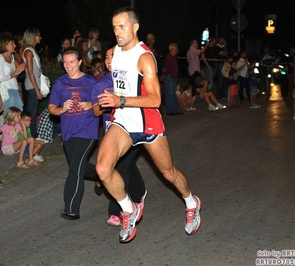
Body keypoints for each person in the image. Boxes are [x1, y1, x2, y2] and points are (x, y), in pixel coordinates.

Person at [95, 7, 201, 243]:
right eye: (114, 27)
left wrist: (120, 100)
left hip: (147, 122)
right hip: (123, 121)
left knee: (167, 172)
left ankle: (192, 202)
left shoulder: (145, 57)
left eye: (122, 26)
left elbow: (156, 99)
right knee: (103, 169)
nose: (117, 31)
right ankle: (128, 209)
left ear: (135, 27)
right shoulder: (115, 52)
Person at [91, 47, 147, 227]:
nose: (108, 60)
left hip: (132, 129)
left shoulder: (131, 78)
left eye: (112, 56)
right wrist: (104, 103)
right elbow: (95, 112)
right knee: (127, 165)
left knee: (121, 166)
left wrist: (121, 100)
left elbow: (145, 101)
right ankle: (139, 193)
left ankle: (117, 211)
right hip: (112, 134)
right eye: (106, 57)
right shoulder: (100, 84)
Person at [48, 47, 99, 220]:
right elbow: (52, 108)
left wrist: (90, 104)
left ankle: (71, 208)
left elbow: (103, 102)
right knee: (80, 167)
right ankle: (102, 174)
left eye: (72, 61)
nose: (68, 65)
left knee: (75, 169)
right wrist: (62, 109)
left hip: (87, 130)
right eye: (65, 62)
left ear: (79, 62)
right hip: (68, 132)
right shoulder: (60, 83)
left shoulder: (90, 82)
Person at [0, 34, 26, 116]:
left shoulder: (12, 57)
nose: (15, 45)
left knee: (19, 115)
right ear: (5, 45)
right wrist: (15, 73)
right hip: (7, 90)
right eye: (12, 43)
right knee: (9, 118)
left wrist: (18, 72)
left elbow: (13, 75)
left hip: (15, 88)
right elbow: (1, 78)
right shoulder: (0, 58)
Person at [23, 28, 43, 138]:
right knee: (30, 113)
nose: (40, 37)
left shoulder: (32, 50)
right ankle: (31, 137)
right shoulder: (29, 51)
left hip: (34, 85)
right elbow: (30, 73)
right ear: (32, 37)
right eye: (38, 35)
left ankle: (33, 136)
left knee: (33, 113)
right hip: (32, 86)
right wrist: (37, 90)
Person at [163, 43, 183, 115]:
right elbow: (165, 69)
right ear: (172, 49)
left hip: (173, 78)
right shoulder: (169, 58)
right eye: (176, 48)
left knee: (173, 95)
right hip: (169, 77)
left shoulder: (173, 58)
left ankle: (175, 110)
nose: (177, 50)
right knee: (170, 95)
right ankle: (170, 111)